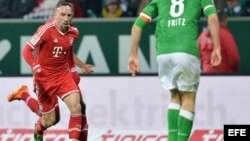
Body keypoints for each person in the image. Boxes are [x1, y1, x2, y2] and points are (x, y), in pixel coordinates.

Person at [127, 1, 222, 141]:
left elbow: (137, 25)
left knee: (175, 96)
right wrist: (217, 48)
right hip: (186, 49)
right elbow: (213, 17)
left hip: (163, 52)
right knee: (189, 97)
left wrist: (133, 55)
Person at [21, 1, 89, 140]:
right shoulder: (46, 30)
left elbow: (68, 52)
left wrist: (73, 69)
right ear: (55, 15)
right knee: (50, 120)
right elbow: (27, 50)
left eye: (69, 15)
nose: (66, 18)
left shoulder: (74, 33)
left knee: (77, 107)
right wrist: (35, 66)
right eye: (62, 15)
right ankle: (36, 122)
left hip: (63, 75)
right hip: (44, 79)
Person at [7, 52, 93, 140]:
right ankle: (24, 95)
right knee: (51, 119)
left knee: (80, 108)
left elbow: (68, 48)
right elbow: (32, 53)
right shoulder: (42, 38)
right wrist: (35, 78)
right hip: (47, 80)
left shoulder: (68, 37)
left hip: (66, 77)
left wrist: (81, 65)